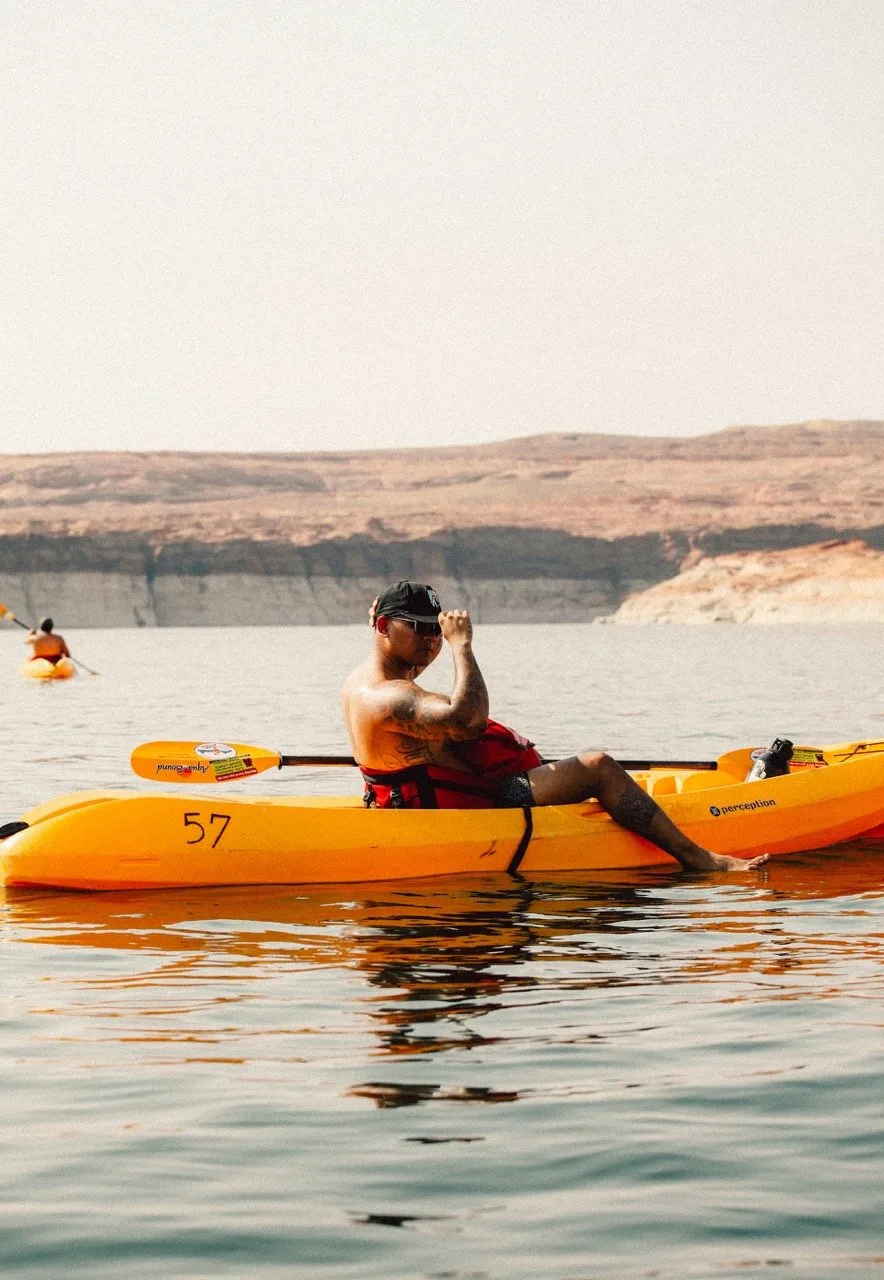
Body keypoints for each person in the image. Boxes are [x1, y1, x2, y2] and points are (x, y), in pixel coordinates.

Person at [341, 580, 768, 874]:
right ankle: (700, 859)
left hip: (425, 800)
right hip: (448, 813)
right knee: (598, 765)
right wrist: (462, 645)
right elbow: (467, 721)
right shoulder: (385, 696)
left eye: (437, 630)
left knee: (554, 765)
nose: (432, 640)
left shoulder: (365, 680)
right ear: (383, 627)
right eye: (419, 629)